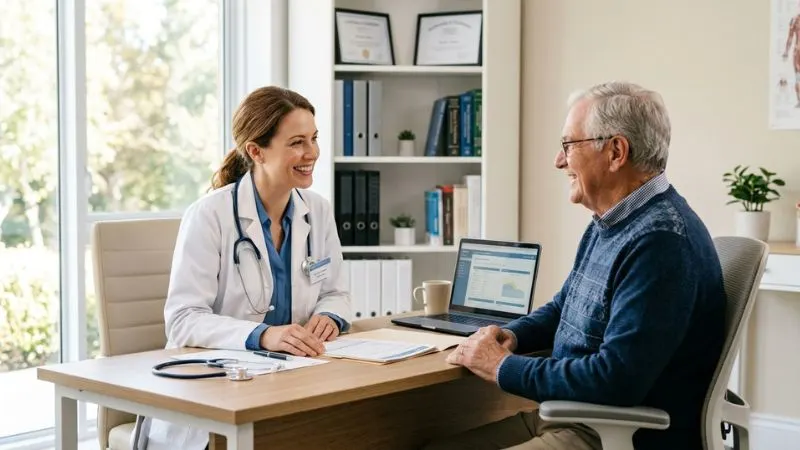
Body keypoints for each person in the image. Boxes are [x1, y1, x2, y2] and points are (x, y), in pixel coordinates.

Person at [424, 81, 726, 450]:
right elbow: (564, 307)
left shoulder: (661, 242)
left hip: (616, 434)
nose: (559, 160)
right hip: (572, 416)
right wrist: (511, 336)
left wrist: (502, 366)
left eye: (569, 145)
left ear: (616, 152)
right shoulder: (613, 221)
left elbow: (615, 380)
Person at [143, 86, 352, 450]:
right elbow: (183, 319)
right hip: (218, 392)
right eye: (297, 142)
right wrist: (263, 335)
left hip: (291, 381)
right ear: (256, 151)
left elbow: (336, 292)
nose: (312, 153)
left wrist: (330, 315)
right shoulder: (209, 215)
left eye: (314, 138)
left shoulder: (317, 210)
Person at [783, 7, 800, 107]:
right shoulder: (794, 20)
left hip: (797, 51)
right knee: (798, 77)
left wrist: (786, 52)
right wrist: (786, 51)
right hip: (797, 52)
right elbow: (790, 37)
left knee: (798, 77)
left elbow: (790, 37)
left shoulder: (794, 20)